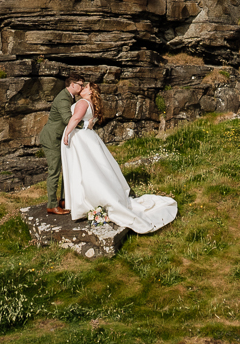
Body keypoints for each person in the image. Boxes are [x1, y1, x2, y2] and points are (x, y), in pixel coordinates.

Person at [61, 80, 178, 233]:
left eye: (86, 87)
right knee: (94, 168)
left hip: (80, 139)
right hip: (88, 137)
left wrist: (67, 133)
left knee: (83, 169)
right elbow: (90, 121)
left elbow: (76, 118)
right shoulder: (92, 104)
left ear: (90, 92)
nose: (82, 88)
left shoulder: (83, 102)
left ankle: (86, 201)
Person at [38, 79, 81, 216]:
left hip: (60, 138)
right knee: (54, 171)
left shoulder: (70, 97)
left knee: (66, 168)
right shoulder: (63, 98)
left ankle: (64, 200)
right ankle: (52, 205)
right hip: (52, 138)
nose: (82, 86)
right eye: (80, 84)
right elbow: (67, 118)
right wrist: (84, 127)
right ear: (72, 84)